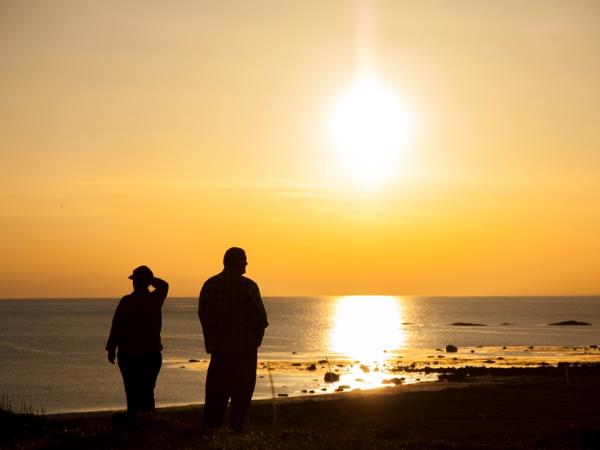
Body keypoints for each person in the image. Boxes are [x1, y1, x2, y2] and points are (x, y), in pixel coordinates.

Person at [198, 247, 268, 432]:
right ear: (235, 261)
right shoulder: (248, 286)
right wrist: (256, 341)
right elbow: (260, 319)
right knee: (241, 401)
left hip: (219, 353)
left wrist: (209, 340)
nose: (247, 263)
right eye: (244, 259)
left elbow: (203, 315)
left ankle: (210, 437)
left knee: (214, 402)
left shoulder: (209, 285)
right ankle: (235, 435)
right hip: (244, 353)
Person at [106, 265, 169, 414]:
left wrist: (111, 348)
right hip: (147, 355)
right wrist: (150, 279)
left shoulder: (129, 301)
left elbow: (117, 326)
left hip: (132, 355)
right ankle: (146, 423)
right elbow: (164, 285)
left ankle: (138, 423)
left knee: (134, 393)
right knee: (146, 392)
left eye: (136, 280)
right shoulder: (154, 298)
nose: (134, 283)